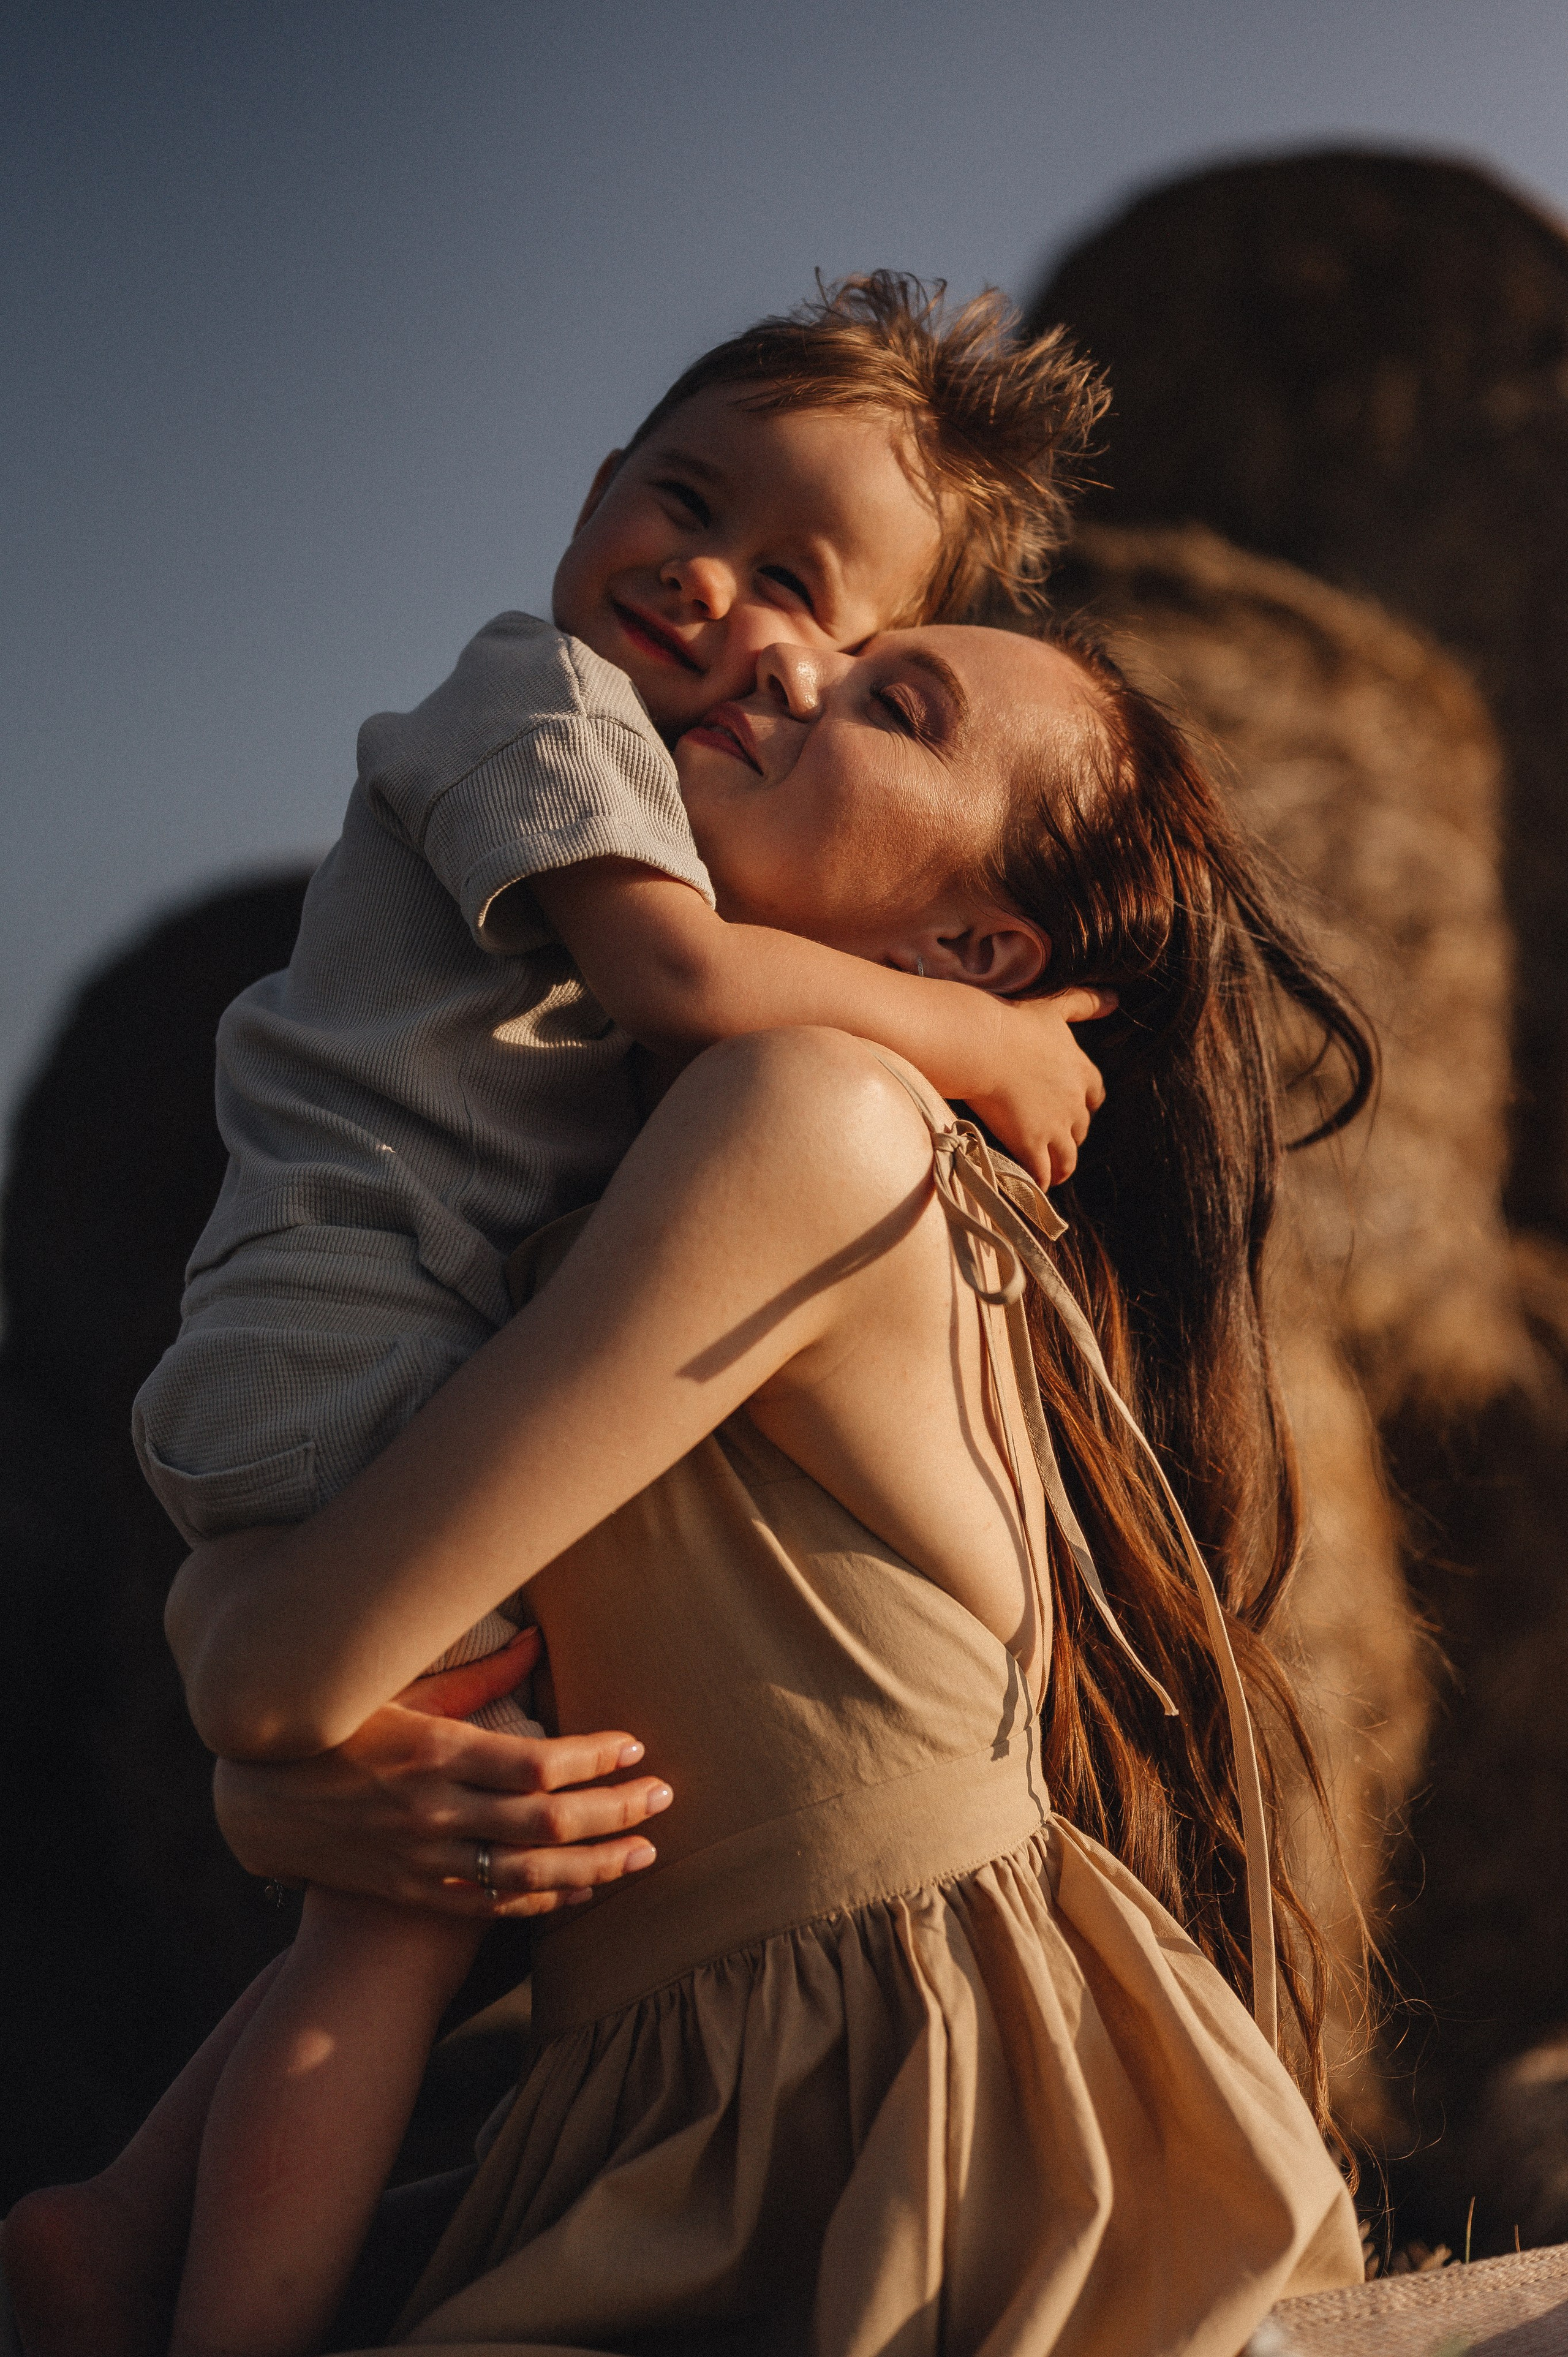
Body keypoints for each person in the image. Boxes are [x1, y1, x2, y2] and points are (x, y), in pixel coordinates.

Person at [6, 279, 1117, 2357]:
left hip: (343, 1347)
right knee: (390, 1926)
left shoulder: (762, 1125)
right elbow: (687, 982)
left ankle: (120, 2233)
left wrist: (273, 1731)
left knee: (405, 1897)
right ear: (597, 483)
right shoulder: (548, 711)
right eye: (684, 502)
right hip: (354, 1331)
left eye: (806, 599)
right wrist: (972, 1037)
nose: (714, 593)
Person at [62, 618, 1368, 2353]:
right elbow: (583, 1767)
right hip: (676, 2101)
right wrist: (317, 1762)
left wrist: (274, 1755)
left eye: (885, 705)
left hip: (882, 2131)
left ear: (971, 946)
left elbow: (279, 1667)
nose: (775, 664)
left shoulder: (811, 1117)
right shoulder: (658, 1175)